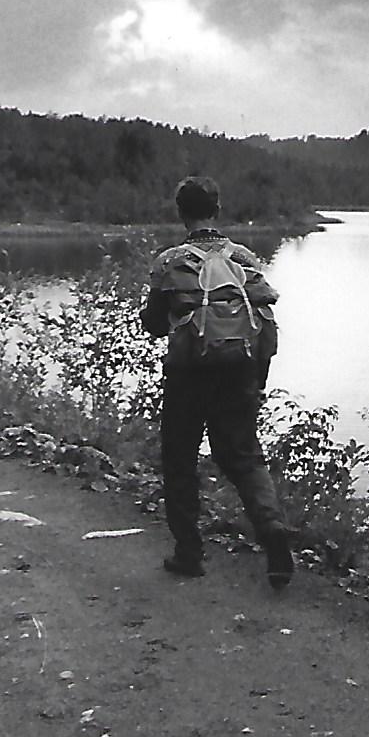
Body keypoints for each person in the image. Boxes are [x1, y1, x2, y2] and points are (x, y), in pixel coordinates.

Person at [139, 175, 294, 588]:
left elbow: (154, 324)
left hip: (188, 373)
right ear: (218, 210)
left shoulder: (170, 262)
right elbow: (263, 320)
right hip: (239, 370)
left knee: (180, 459)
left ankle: (189, 554)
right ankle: (273, 531)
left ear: (180, 213)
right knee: (244, 455)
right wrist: (257, 381)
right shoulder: (245, 258)